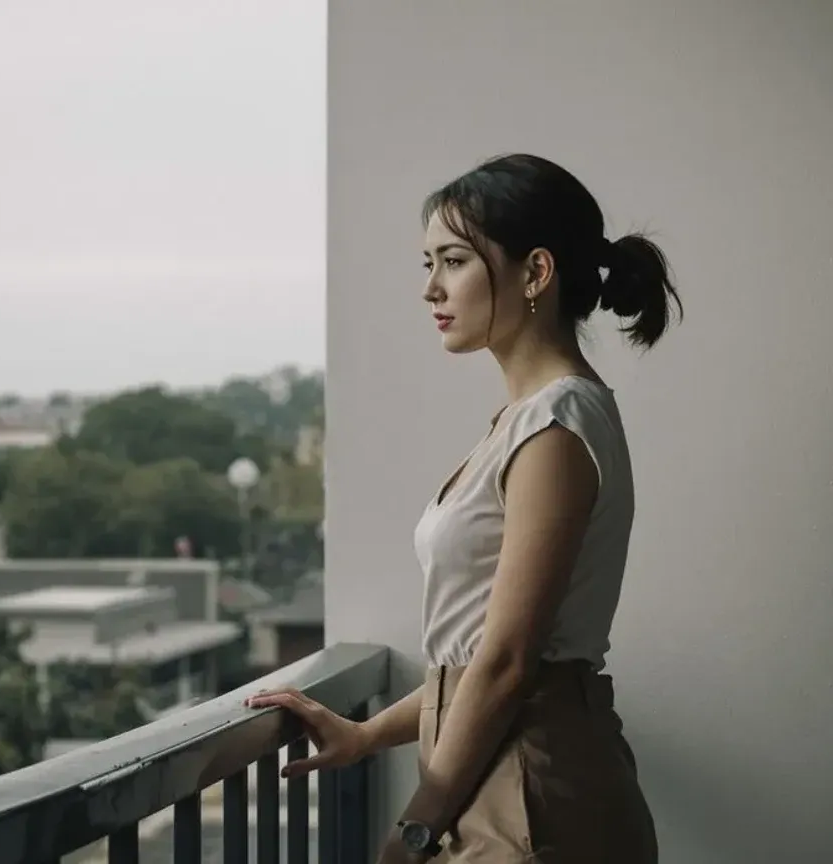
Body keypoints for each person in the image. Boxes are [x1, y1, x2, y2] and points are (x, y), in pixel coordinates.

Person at [245, 153, 681, 863]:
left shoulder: (556, 425)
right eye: (428, 264)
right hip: (506, 777)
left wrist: (413, 830)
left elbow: (510, 663)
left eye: (452, 261)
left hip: (531, 791)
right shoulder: (532, 421)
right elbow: (488, 664)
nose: (431, 289)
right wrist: (365, 736)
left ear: (535, 273)